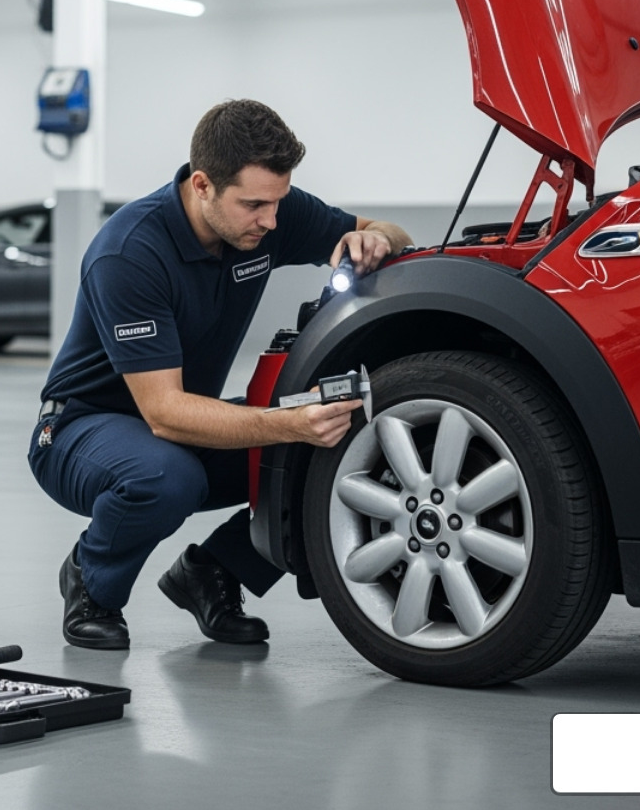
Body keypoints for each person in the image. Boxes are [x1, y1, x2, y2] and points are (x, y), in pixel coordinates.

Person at [28, 99, 412, 649]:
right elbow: (163, 414)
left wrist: (376, 238)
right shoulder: (131, 253)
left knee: (332, 445)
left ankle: (213, 571)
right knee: (168, 477)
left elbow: (388, 228)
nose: (272, 221)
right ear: (202, 185)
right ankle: (91, 580)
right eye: (254, 204)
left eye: (278, 202)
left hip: (179, 420)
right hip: (82, 430)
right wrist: (287, 423)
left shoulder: (267, 212)